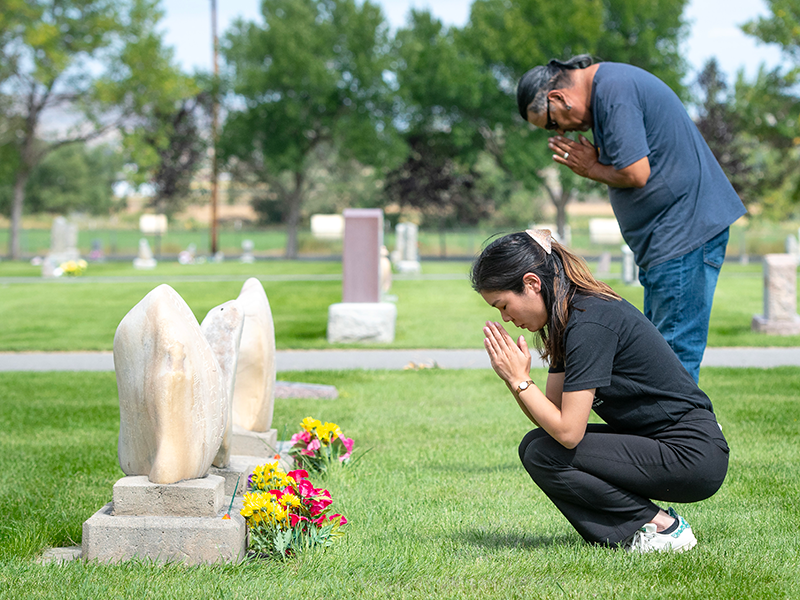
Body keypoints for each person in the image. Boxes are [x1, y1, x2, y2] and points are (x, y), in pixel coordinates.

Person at [471, 229, 729, 552]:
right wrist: (515, 381)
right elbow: (551, 417)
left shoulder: (589, 321)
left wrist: (521, 380)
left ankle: (663, 528)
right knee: (536, 446)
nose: (506, 318)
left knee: (543, 452)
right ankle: (648, 527)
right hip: (667, 446)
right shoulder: (570, 317)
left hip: (692, 454)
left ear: (532, 283)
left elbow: (568, 433)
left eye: (504, 305)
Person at [516, 55, 747, 383]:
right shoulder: (609, 91)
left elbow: (636, 173)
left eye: (552, 123)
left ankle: (686, 420)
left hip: (683, 234)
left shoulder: (614, 93)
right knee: (659, 354)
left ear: (558, 97)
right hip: (669, 240)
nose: (562, 131)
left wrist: (592, 168)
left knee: (673, 357)